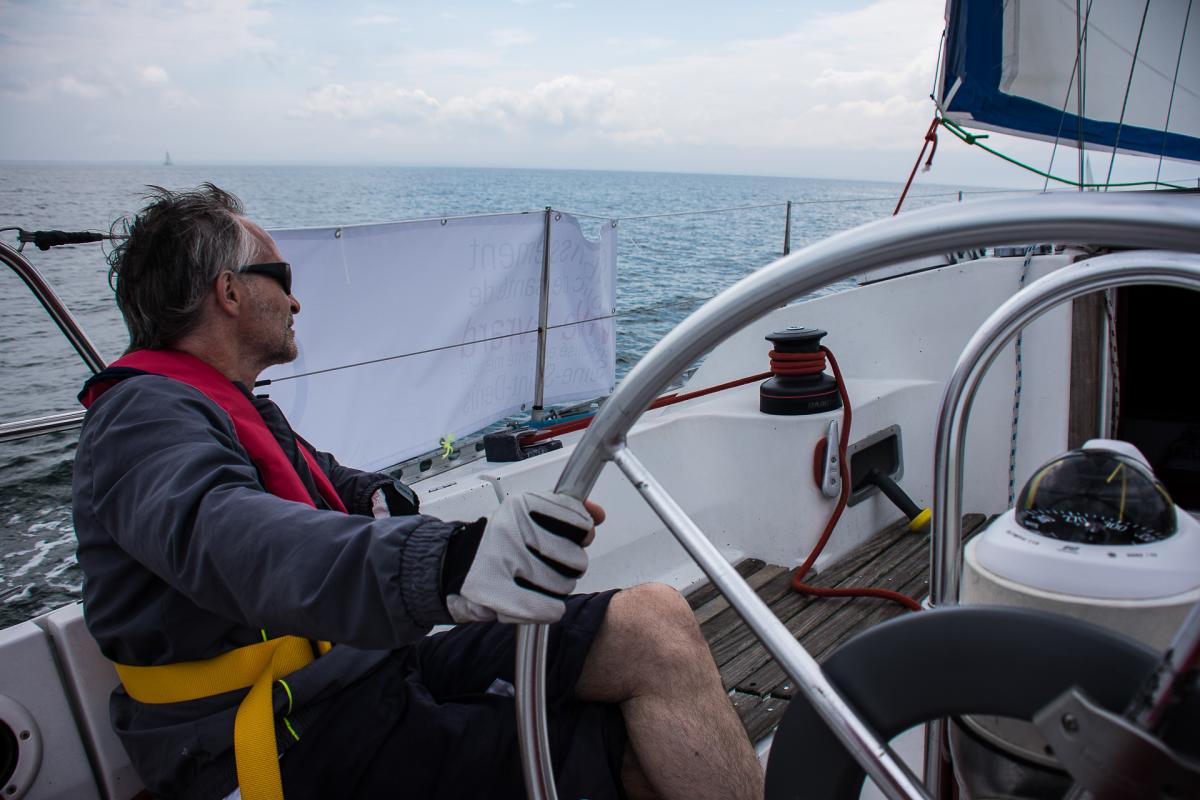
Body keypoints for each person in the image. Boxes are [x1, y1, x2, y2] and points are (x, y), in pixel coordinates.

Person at [72, 184, 763, 800]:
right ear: (228, 292)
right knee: (626, 748)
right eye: (281, 278)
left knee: (651, 624)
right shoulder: (140, 419)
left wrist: (379, 498)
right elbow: (231, 537)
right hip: (283, 732)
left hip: (359, 672)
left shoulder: (228, 407)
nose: (296, 300)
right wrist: (448, 561)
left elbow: (320, 481)